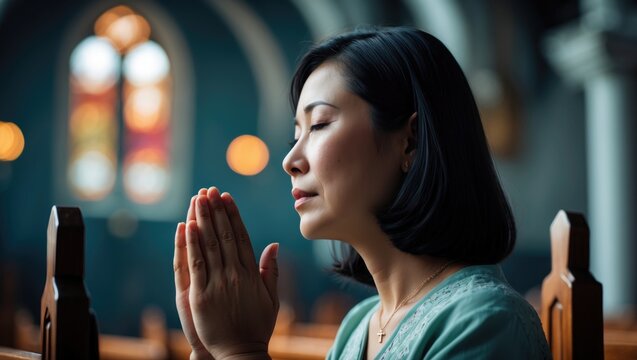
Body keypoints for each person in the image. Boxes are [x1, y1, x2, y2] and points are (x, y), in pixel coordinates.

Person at [173, 27, 550, 359]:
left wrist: (241, 352)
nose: (290, 160)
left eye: (319, 125)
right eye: (295, 135)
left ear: (410, 141)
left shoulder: (487, 321)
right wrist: (212, 352)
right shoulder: (359, 325)